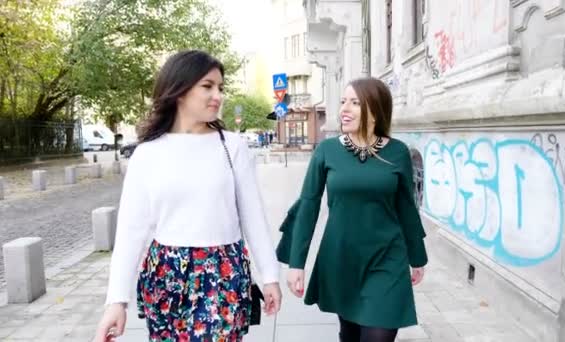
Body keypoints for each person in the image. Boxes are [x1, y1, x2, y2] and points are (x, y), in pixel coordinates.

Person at [94, 50, 282, 342]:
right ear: (179, 90)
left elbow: (253, 216)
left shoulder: (232, 147)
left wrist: (269, 276)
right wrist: (116, 302)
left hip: (223, 273)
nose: (217, 95)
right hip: (167, 275)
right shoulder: (148, 153)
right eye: (207, 86)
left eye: (220, 87)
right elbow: (131, 230)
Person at [284, 77, 428, 342]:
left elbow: (407, 207)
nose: (344, 110)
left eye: (354, 103)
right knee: (349, 335)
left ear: (375, 110)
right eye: (342, 102)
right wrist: (296, 263)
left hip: (387, 259)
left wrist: (417, 257)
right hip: (341, 259)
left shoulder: (397, 153)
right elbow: (308, 205)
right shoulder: (327, 151)